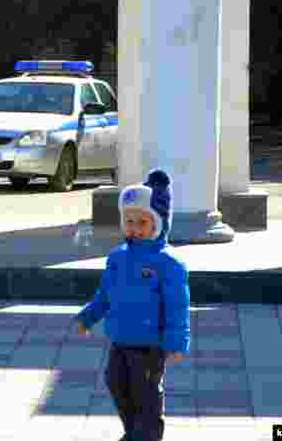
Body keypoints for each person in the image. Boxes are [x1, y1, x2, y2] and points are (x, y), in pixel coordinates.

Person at [74, 169, 190, 441]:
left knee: (146, 394)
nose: (134, 228)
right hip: (120, 339)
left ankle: (146, 435)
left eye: (142, 222)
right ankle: (135, 432)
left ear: (158, 223)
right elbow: (105, 294)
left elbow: (177, 306)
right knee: (116, 383)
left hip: (150, 345)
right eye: (129, 221)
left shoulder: (168, 263)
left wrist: (177, 342)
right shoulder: (117, 257)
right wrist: (87, 317)